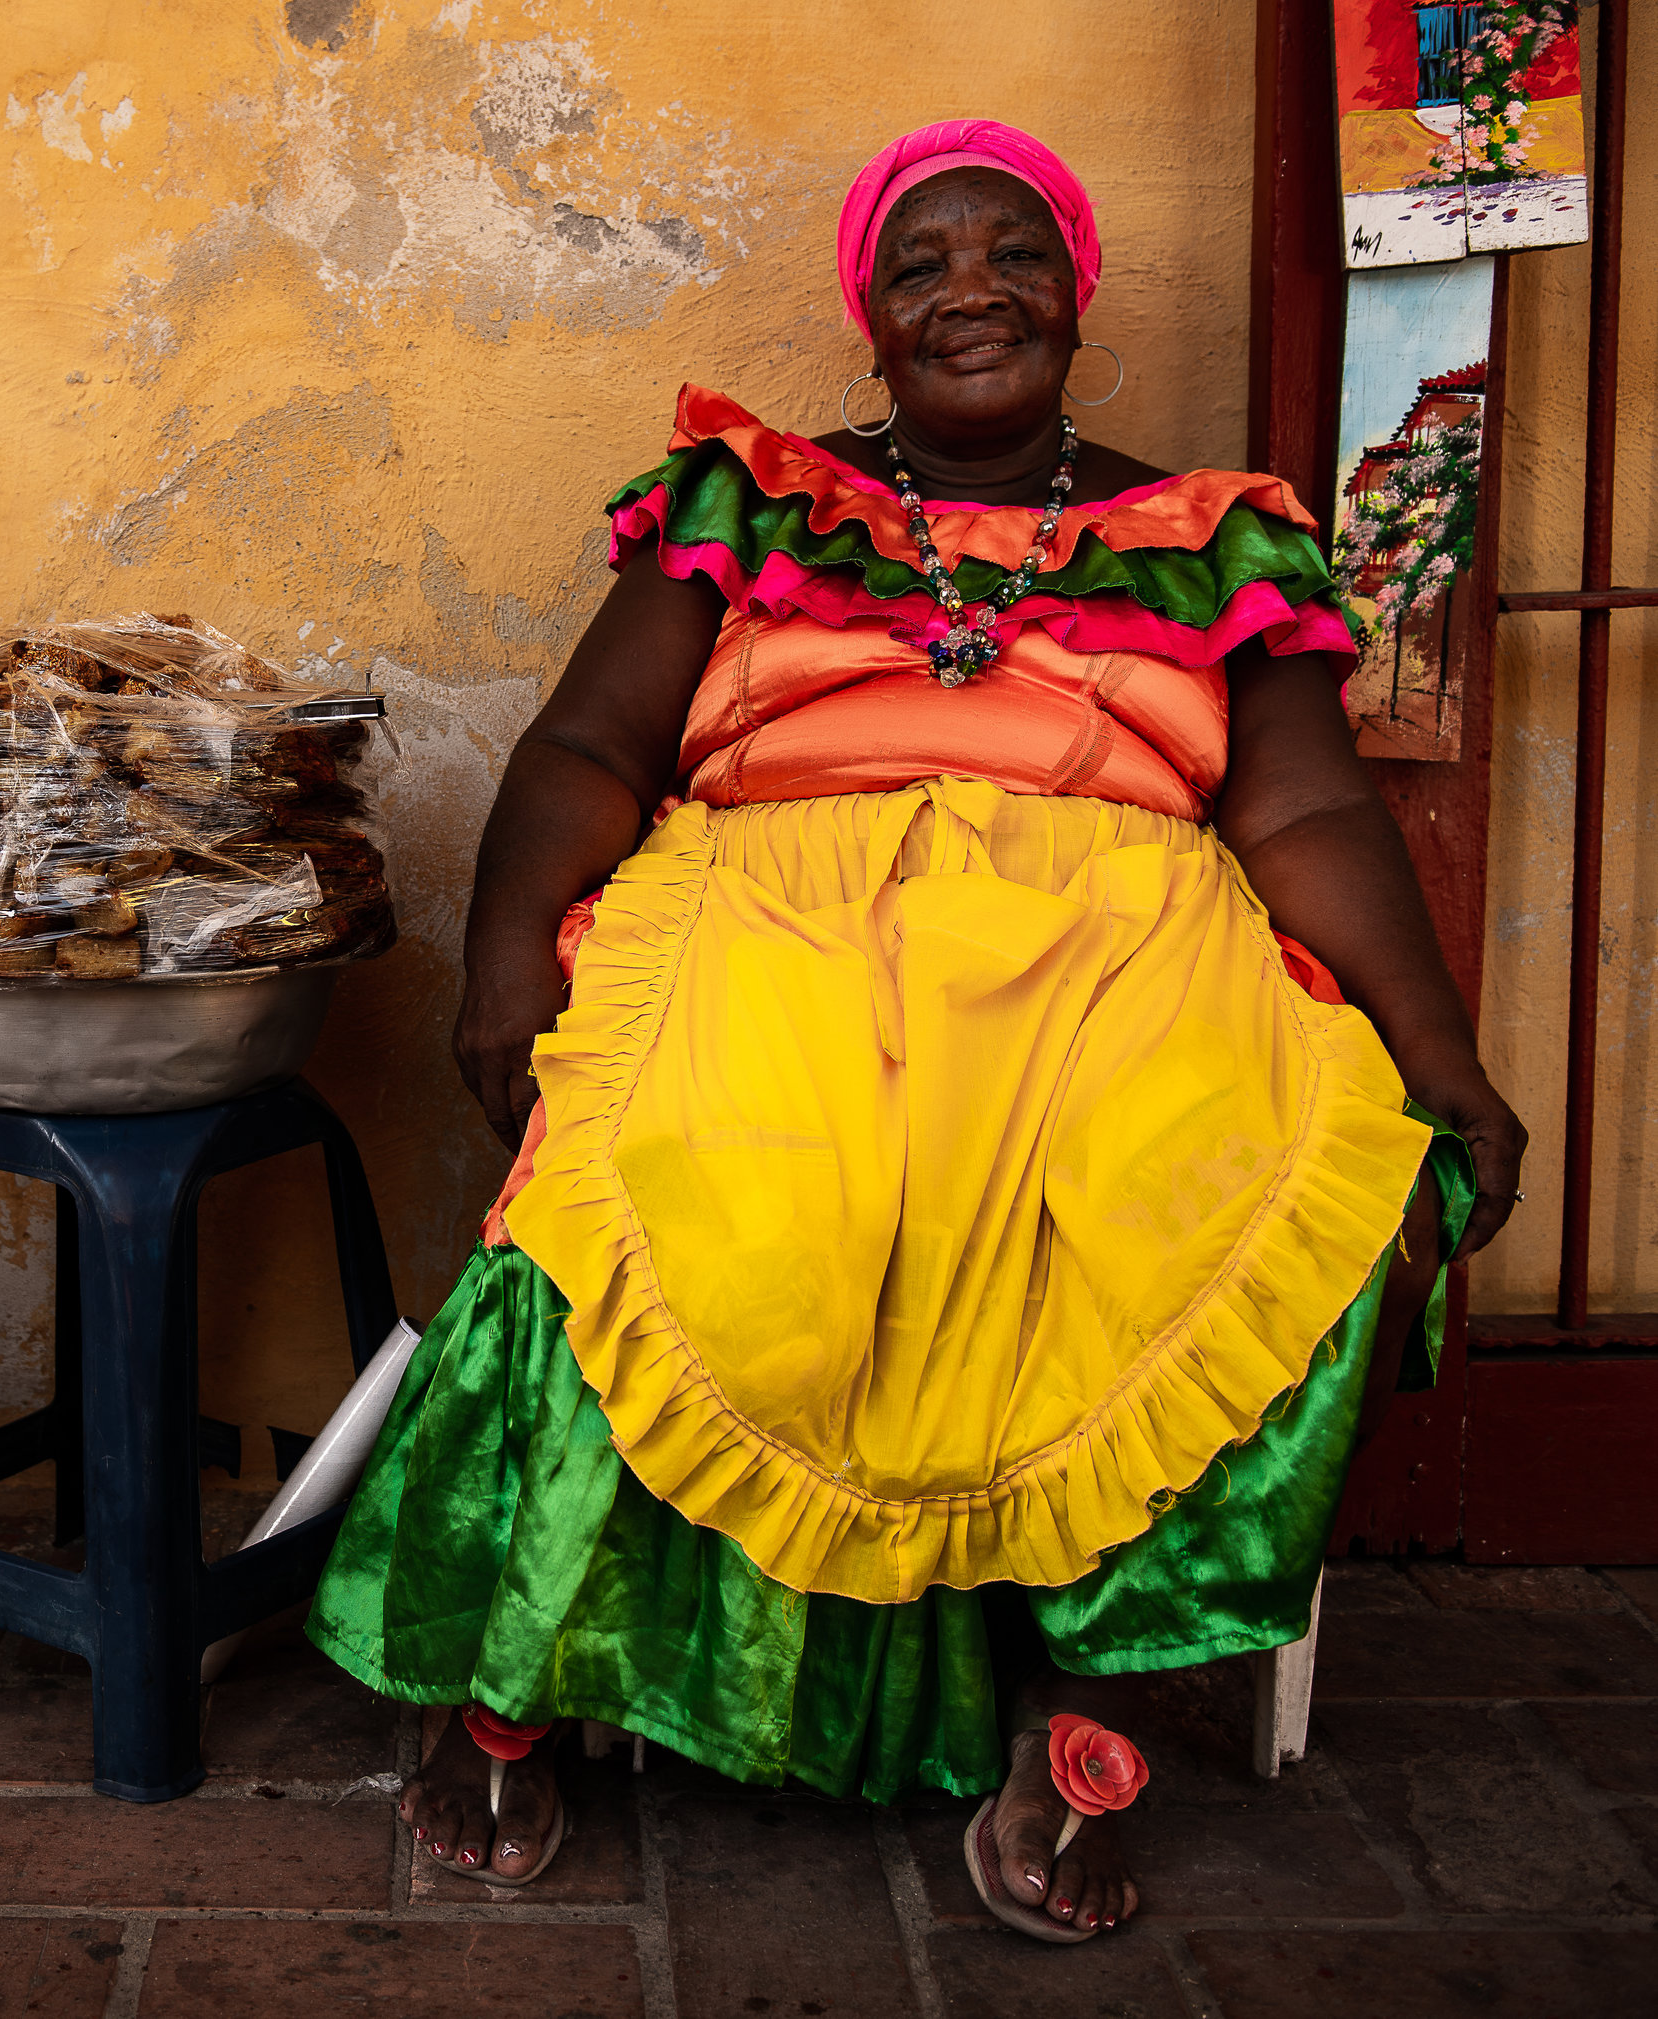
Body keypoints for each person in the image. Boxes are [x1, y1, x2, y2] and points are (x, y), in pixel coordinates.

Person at [304, 118, 1525, 1939]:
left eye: (1017, 252)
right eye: (924, 261)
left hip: (1123, 964)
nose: (973, 288)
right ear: (870, 315)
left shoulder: (1210, 539)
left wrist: (1445, 1063)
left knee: (1306, 1194)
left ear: (1078, 293)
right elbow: (587, 751)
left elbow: (1309, 820)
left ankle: (1090, 1723)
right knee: (666, 1187)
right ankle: (516, 1681)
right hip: (772, 930)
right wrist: (505, 962)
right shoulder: (754, 500)